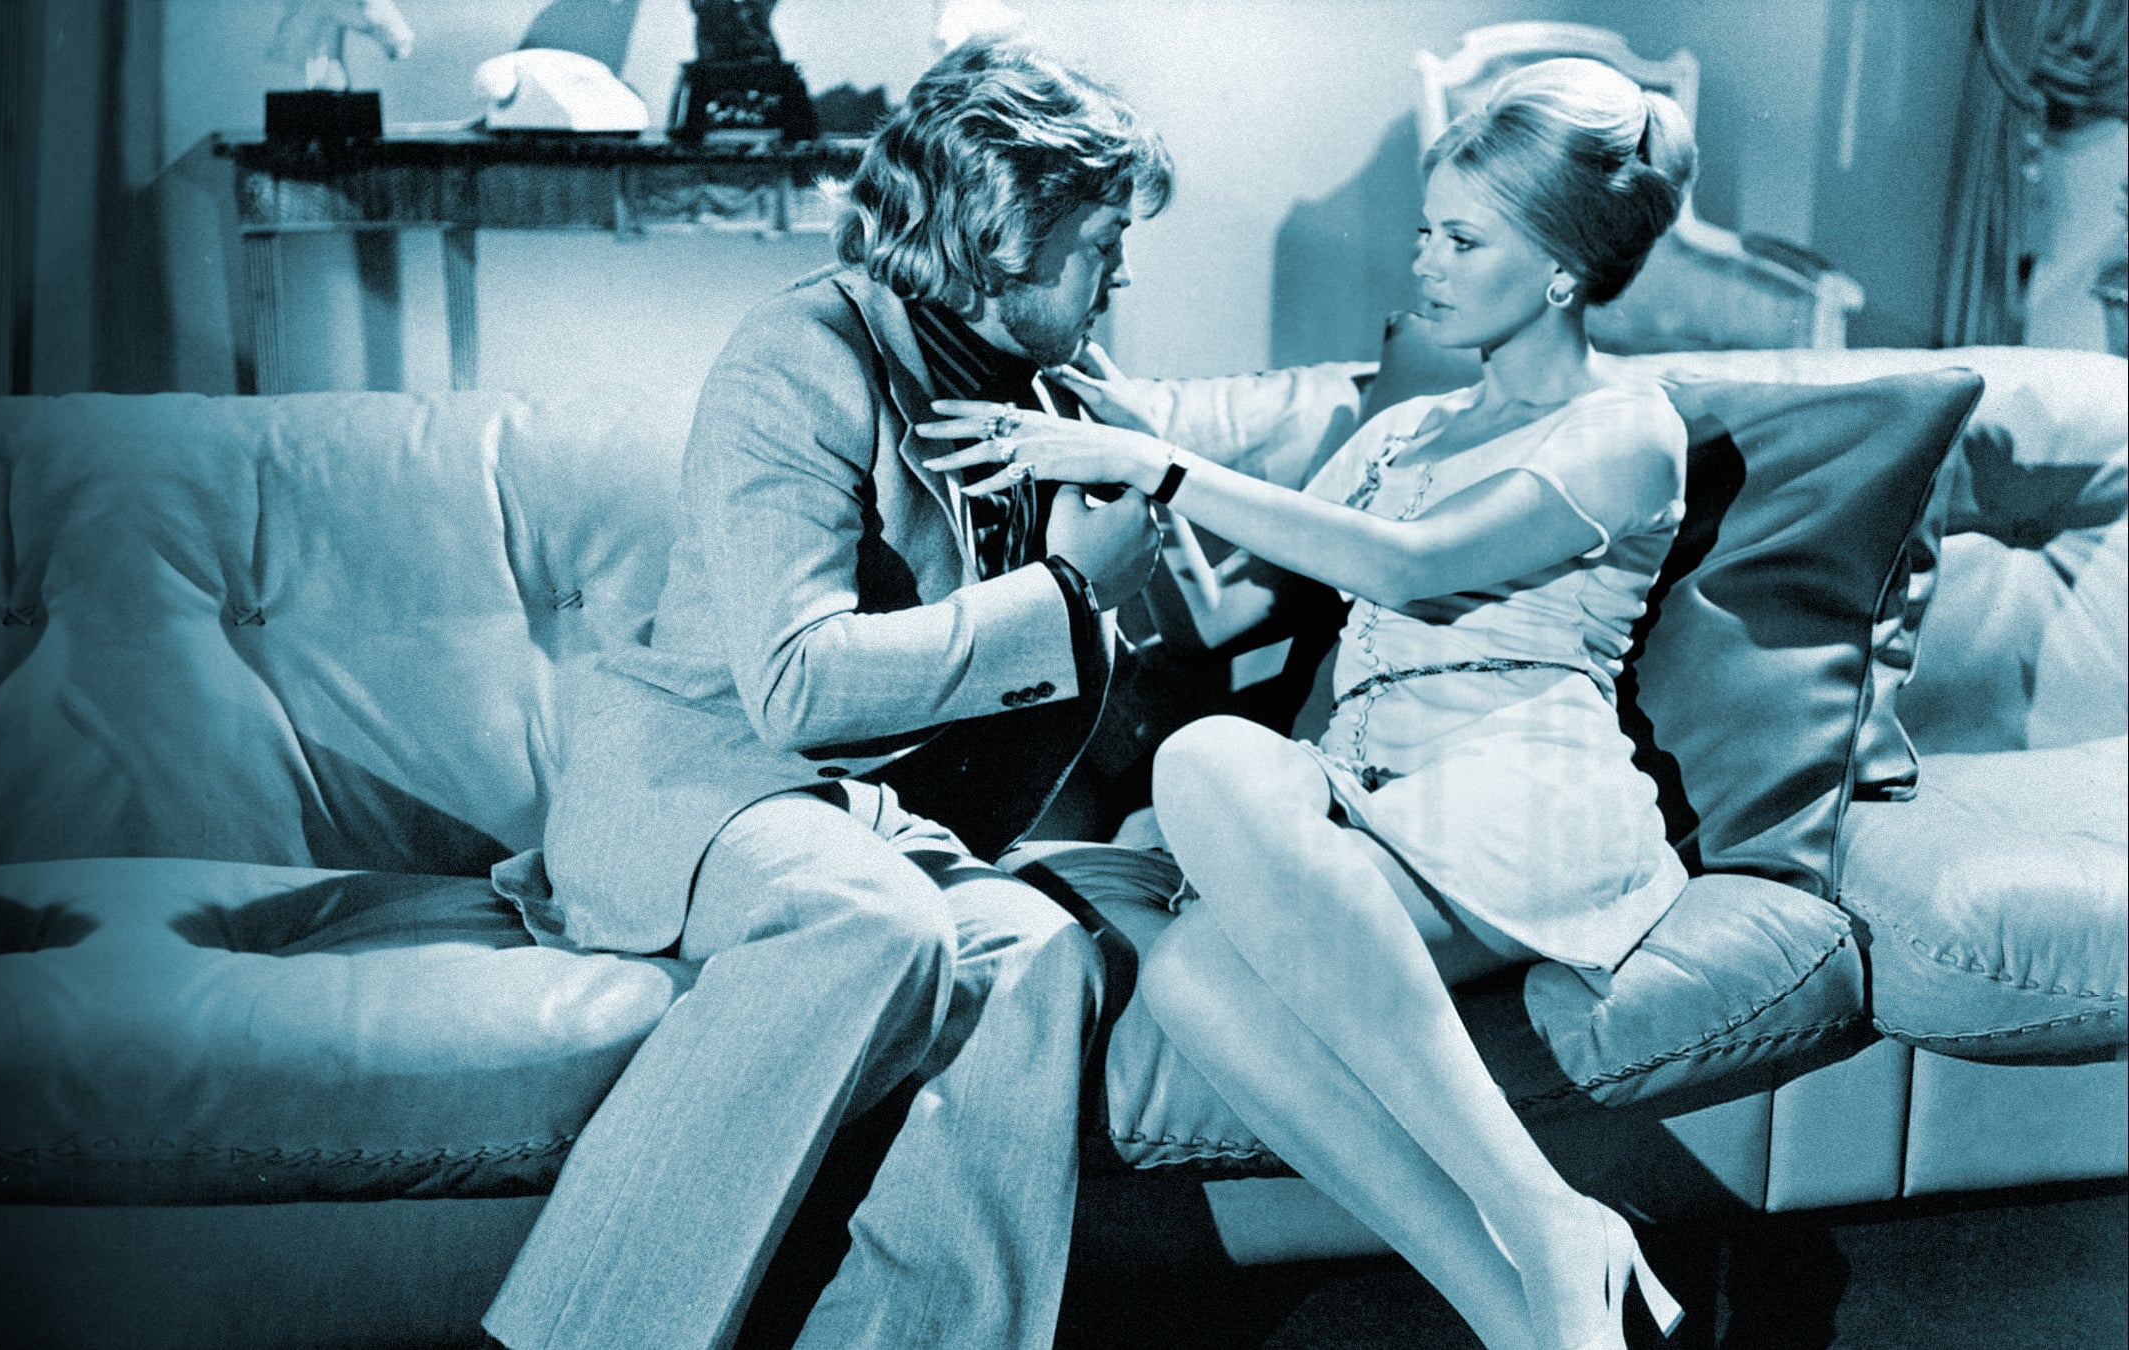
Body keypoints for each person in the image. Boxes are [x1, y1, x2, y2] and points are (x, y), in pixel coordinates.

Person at [920, 57, 1699, 1350]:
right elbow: (1231, 615)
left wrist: (1164, 462)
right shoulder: (1405, 432)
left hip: (1525, 802)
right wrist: (1100, 510)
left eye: (1464, 239)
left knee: (1208, 768)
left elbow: (1405, 565)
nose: (1426, 262)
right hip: (1378, 808)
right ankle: (1527, 1308)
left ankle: (1545, 1213)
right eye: (1427, 231)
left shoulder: (1624, 428)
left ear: (1563, 269)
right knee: (1182, 962)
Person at [479, 38, 1169, 1350]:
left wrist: (1159, 501)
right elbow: (797, 684)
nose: (1121, 273)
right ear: (999, 236)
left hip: (881, 824)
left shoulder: (1059, 396)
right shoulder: (803, 354)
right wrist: (1069, 591)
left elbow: (1180, 627)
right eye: (1101, 240)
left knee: (1036, 958)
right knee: (875, 925)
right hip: (705, 784)